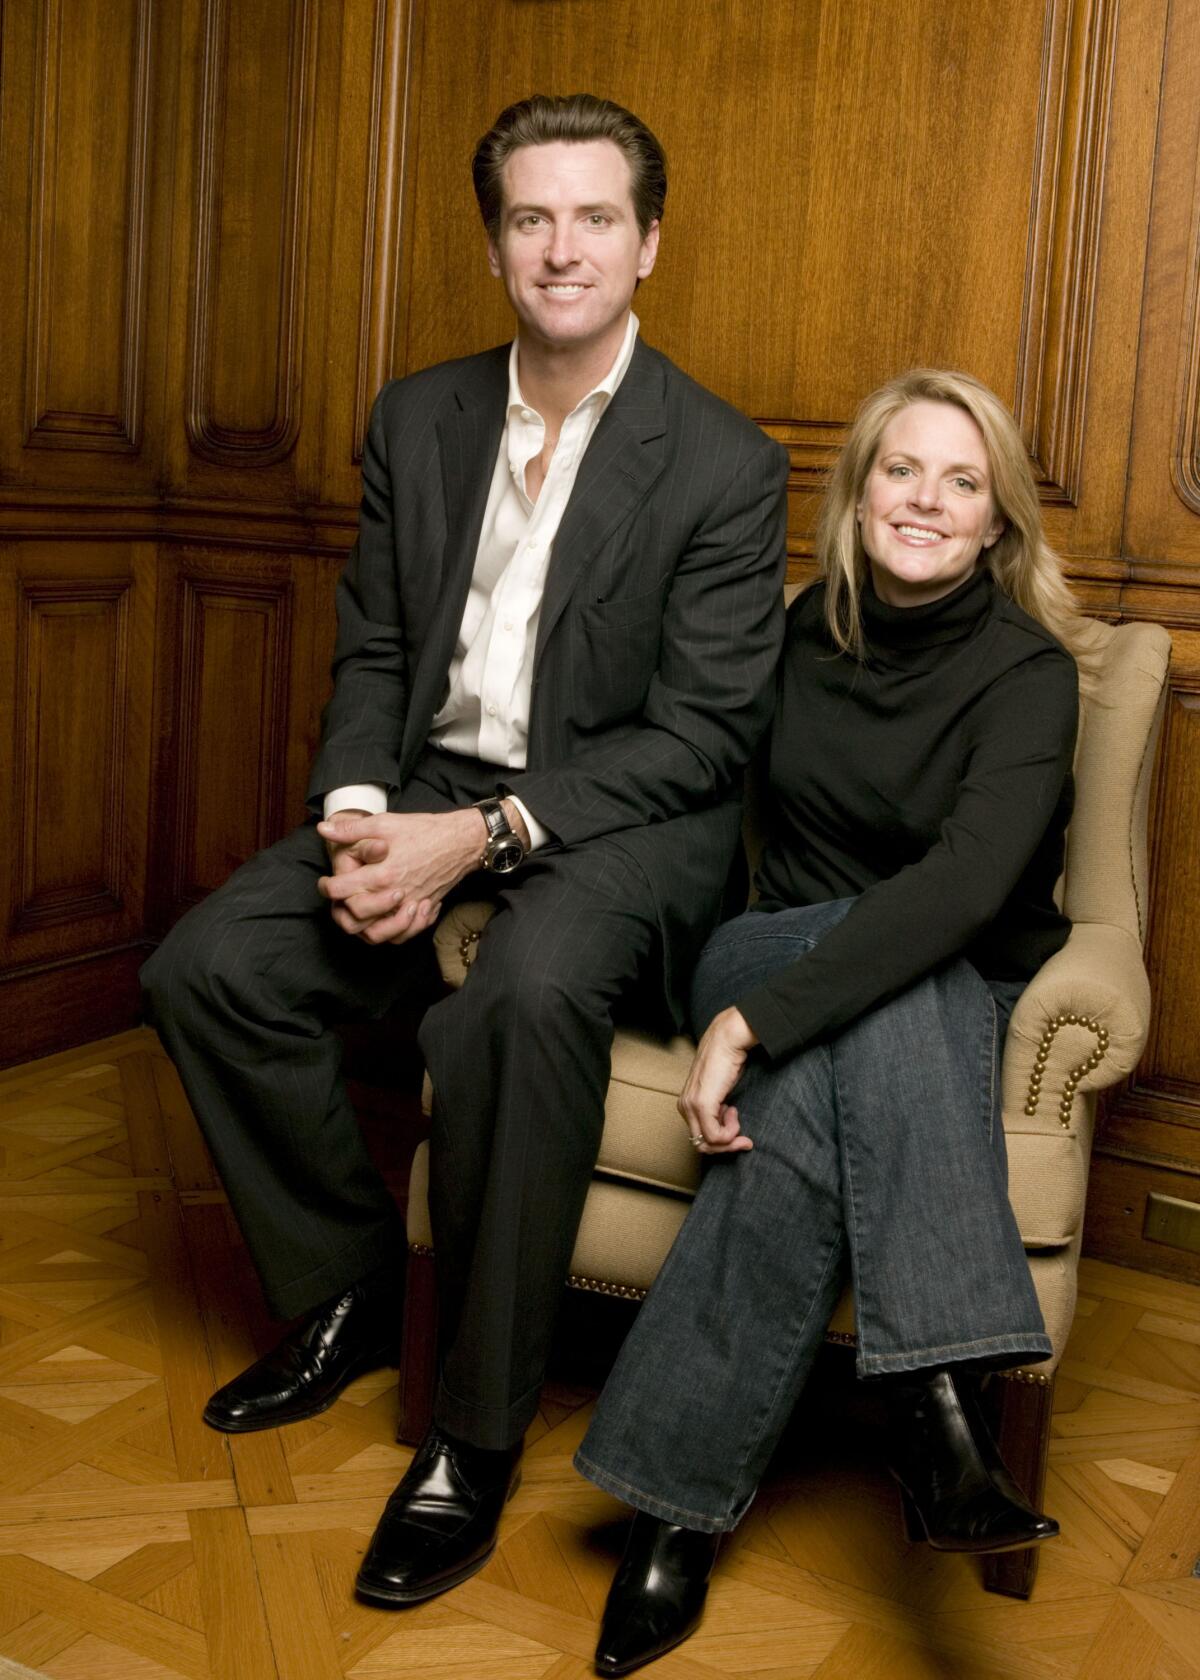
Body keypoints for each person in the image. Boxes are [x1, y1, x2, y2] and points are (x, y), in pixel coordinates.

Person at [140, 92, 788, 1608]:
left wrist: (476, 838)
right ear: (496, 242)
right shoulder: (417, 414)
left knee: (520, 1001)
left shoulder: (723, 464)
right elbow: (373, 647)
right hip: (426, 786)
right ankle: (349, 1291)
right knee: (205, 969)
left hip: (615, 819)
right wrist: (362, 819)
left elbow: (700, 739)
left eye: (596, 219)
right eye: (530, 217)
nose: (561, 248)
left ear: (648, 246)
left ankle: (472, 1435)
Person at [574, 368, 1089, 1676]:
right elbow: (671, 765)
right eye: (899, 471)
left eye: (959, 481)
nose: (924, 500)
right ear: (857, 497)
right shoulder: (793, 636)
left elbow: (967, 890)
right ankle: (934, 1410)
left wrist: (758, 1032)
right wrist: (725, 991)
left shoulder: (1031, 676)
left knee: (860, 1034)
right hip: (772, 943)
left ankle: (668, 1514)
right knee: (892, 979)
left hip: (935, 968)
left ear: (997, 521)